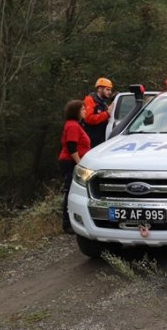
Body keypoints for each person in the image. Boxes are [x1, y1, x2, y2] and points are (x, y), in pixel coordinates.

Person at [58, 100, 91, 234]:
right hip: (71, 162)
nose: (85, 111)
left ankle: (73, 221)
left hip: (74, 161)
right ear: (76, 111)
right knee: (71, 190)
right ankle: (67, 224)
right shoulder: (72, 126)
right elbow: (72, 147)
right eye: (82, 109)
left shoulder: (77, 125)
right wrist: (80, 164)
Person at [82, 77, 113, 148]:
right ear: (99, 89)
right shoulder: (90, 100)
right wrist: (107, 114)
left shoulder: (103, 103)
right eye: (107, 89)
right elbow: (88, 119)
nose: (110, 92)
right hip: (91, 140)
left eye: (110, 90)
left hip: (100, 138)